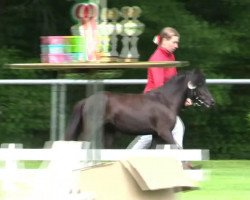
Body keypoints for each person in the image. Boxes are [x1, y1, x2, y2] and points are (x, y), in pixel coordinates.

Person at [130, 27, 192, 149]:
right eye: (174, 42)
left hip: (159, 100)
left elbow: (173, 83)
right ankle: (179, 161)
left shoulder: (170, 56)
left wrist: (183, 97)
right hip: (152, 100)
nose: (177, 46)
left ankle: (125, 159)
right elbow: (159, 86)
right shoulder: (157, 59)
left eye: (177, 42)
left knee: (151, 135)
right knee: (175, 128)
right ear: (164, 40)